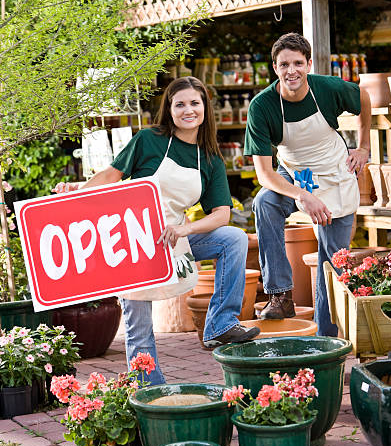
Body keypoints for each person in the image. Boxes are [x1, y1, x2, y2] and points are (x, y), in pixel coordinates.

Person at [54, 76, 259, 383]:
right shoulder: (149, 139)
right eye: (180, 104)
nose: (188, 110)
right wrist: (75, 192)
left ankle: (220, 322)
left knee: (233, 238)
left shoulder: (211, 159)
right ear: (169, 109)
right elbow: (112, 176)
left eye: (194, 103)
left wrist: (184, 228)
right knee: (139, 324)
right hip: (132, 240)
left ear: (205, 108)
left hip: (172, 238)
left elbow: (220, 216)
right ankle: (151, 393)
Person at [244, 33, 371, 337]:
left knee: (333, 257)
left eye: (298, 63)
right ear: (274, 68)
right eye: (284, 64)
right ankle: (280, 295)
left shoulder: (327, 88)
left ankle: (325, 337)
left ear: (309, 64)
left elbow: (363, 97)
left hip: (334, 172)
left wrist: (364, 146)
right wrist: (304, 195)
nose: (292, 71)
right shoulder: (262, 107)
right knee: (265, 201)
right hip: (294, 172)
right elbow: (264, 174)